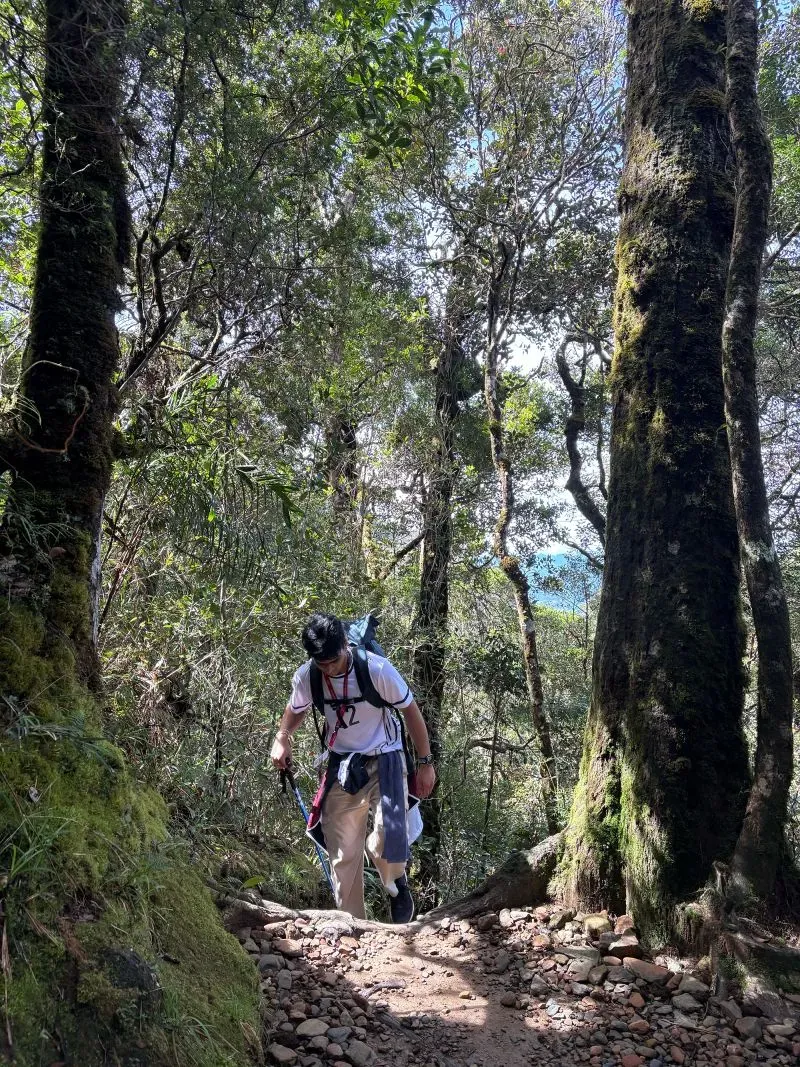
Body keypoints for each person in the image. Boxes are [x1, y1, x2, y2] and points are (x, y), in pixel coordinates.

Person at [270, 613, 436, 923]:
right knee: (343, 852)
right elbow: (295, 709)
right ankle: (353, 927)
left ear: (345, 645)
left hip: (385, 756)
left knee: (390, 834)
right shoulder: (309, 676)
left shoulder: (376, 669)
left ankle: (395, 880)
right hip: (343, 765)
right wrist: (282, 738)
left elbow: (411, 712)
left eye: (333, 661)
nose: (329, 669)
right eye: (322, 664)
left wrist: (425, 763)